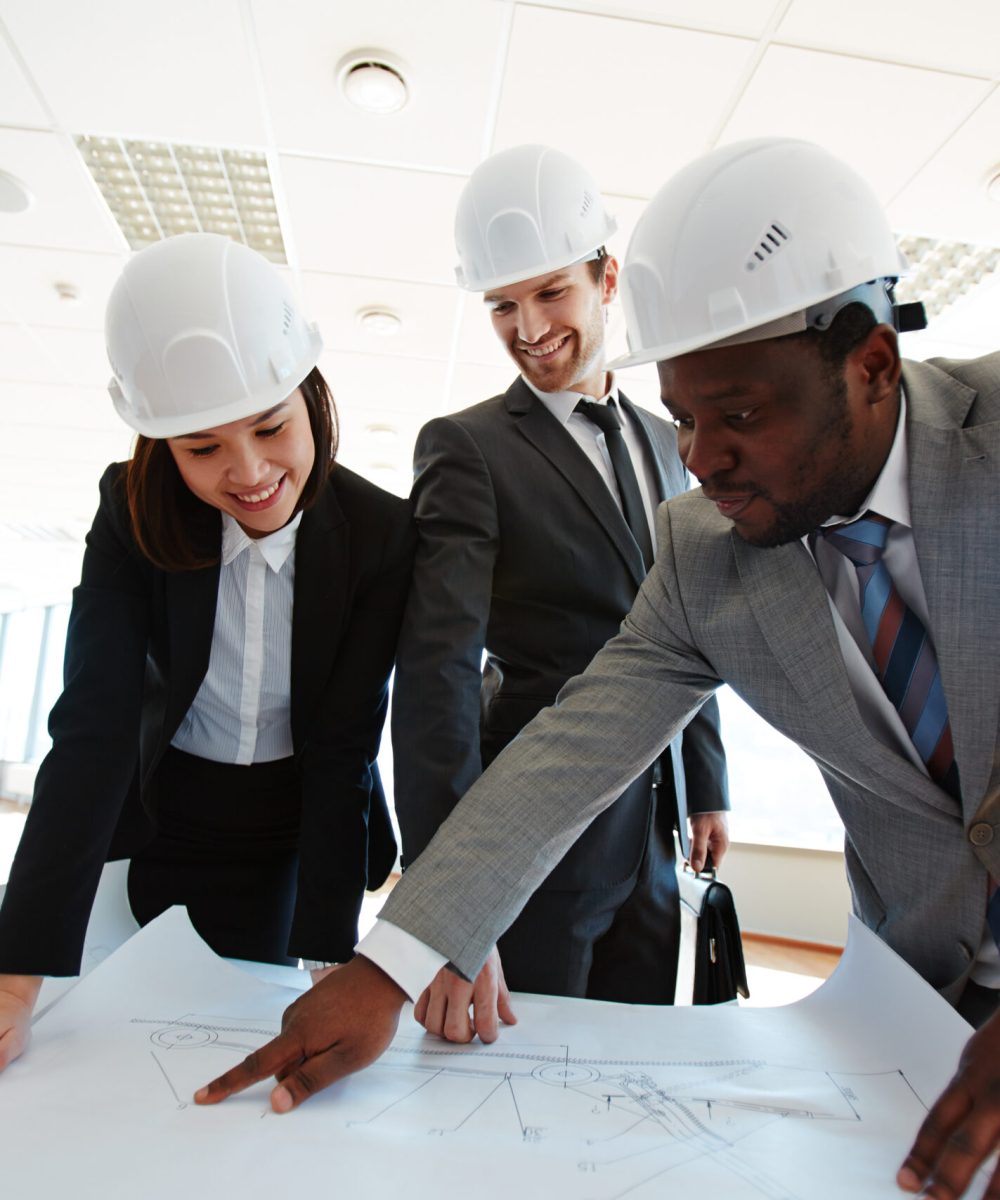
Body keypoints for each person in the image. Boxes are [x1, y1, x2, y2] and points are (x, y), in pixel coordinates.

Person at [194, 136, 998, 1199]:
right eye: (685, 419)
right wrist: (395, 957)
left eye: (739, 417)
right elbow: (560, 755)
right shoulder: (702, 551)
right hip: (922, 996)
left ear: (870, 365)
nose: (701, 460)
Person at [0, 233, 415, 1073]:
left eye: (270, 428)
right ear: (163, 447)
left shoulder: (381, 534)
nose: (250, 472)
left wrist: (334, 957)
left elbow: (345, 748)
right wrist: (14, 977)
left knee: (252, 1022)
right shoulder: (132, 509)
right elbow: (93, 732)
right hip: (167, 806)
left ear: (311, 398)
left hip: (293, 817)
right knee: (137, 1033)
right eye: (204, 449)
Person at [391, 143, 729, 1042]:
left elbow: (698, 617)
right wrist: (443, 905)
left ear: (606, 276)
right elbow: (437, 674)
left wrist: (707, 785)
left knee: (636, 1061)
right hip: (531, 837)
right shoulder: (466, 448)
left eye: (550, 293)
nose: (527, 327)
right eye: (502, 305)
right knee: (524, 1078)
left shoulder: (670, 441)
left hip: (652, 831)